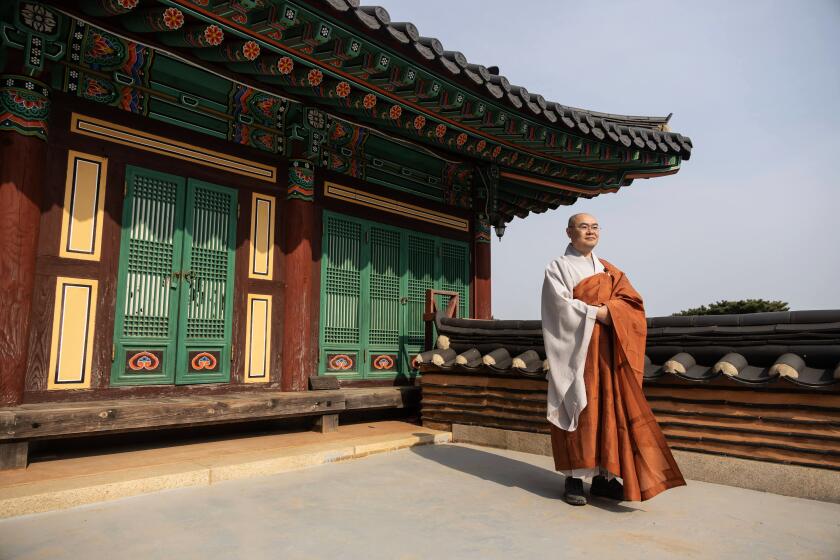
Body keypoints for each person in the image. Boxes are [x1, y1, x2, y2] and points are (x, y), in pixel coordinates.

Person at [541, 213, 685, 505]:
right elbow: (558, 309)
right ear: (569, 233)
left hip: (607, 351)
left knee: (608, 410)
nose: (590, 232)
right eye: (583, 227)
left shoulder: (609, 270)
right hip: (577, 353)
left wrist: (612, 313)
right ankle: (573, 480)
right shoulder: (558, 267)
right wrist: (600, 313)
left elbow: (632, 304)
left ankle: (604, 478)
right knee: (580, 410)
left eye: (595, 227)